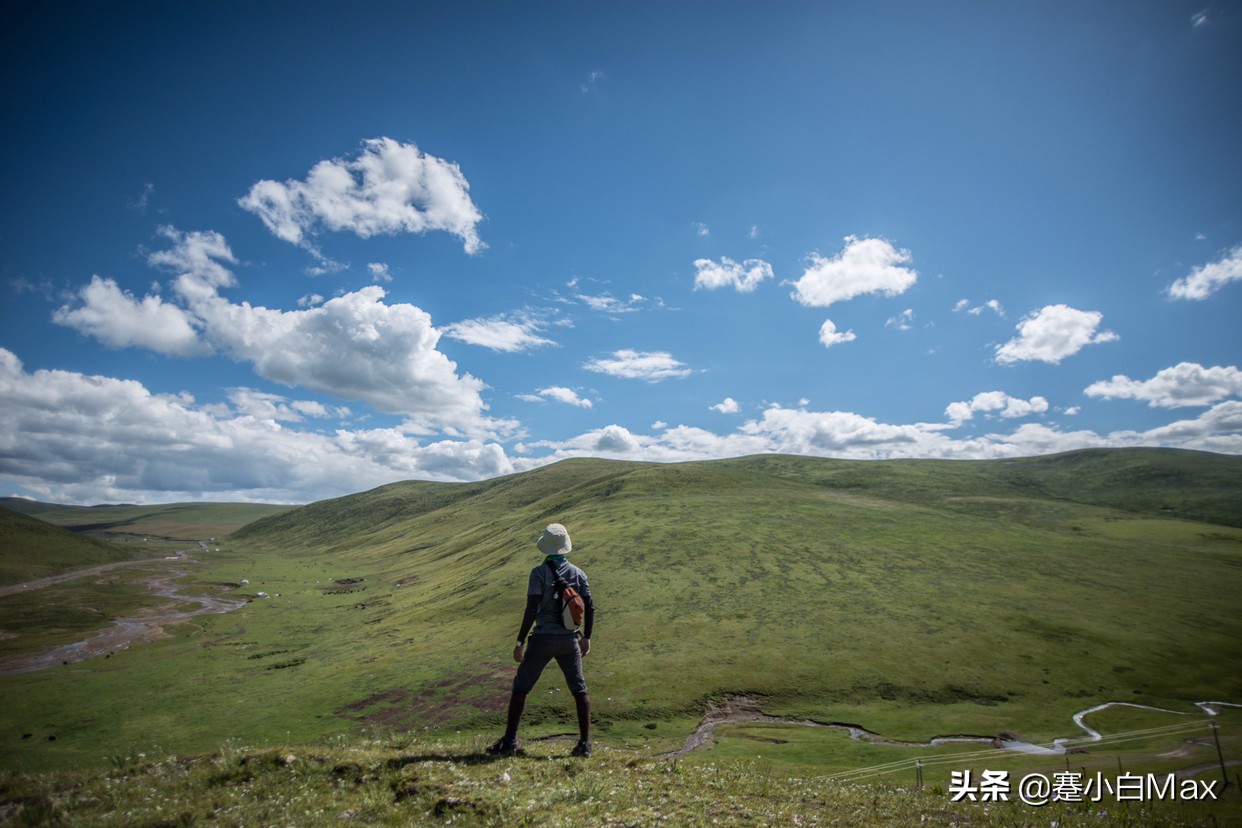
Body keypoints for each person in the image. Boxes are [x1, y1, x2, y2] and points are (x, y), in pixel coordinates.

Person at [488, 523, 595, 757]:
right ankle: (585, 745)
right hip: (569, 641)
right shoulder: (579, 573)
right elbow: (590, 606)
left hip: (543, 640)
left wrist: (519, 642)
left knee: (521, 687)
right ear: (566, 547)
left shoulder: (539, 573)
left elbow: (531, 609)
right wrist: (586, 637)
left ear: (545, 547)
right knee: (579, 689)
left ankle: (510, 741)